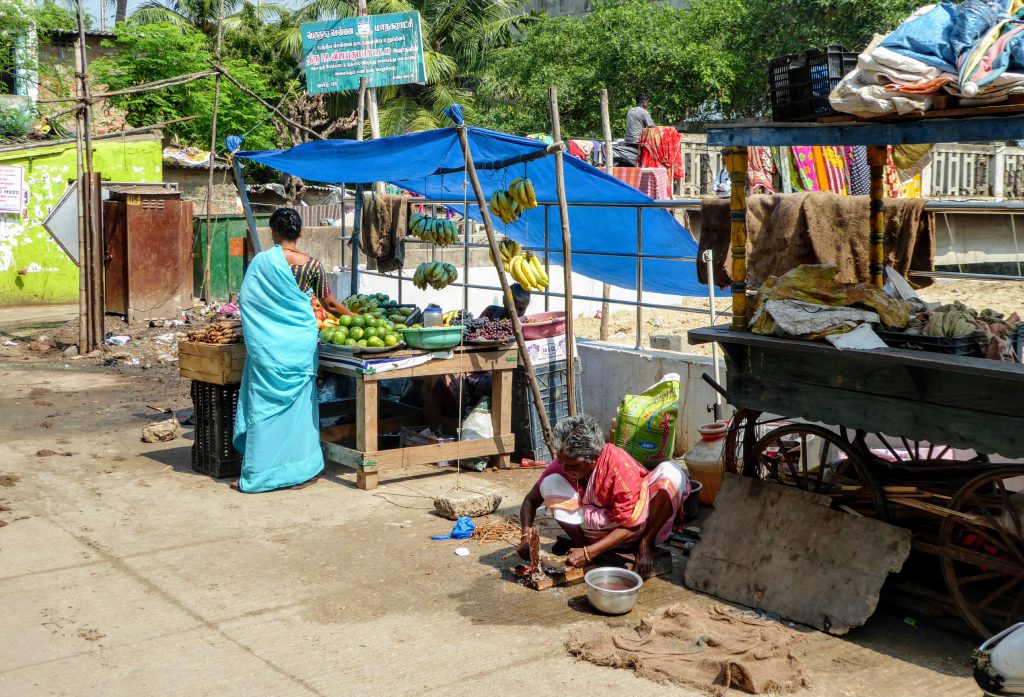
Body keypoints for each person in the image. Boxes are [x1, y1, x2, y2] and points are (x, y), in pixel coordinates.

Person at [232, 208, 354, 493]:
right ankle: (303, 471)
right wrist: (356, 317)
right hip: (299, 346)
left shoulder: (261, 263)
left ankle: (260, 474)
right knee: (300, 412)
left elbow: (247, 303)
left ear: (273, 232)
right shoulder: (311, 265)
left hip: (268, 349)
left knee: (264, 411)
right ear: (300, 233)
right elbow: (331, 305)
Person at [516, 414, 689, 577]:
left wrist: (588, 554)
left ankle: (647, 543)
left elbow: (632, 525)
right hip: (593, 531)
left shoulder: (617, 464)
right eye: (562, 463)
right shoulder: (563, 463)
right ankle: (582, 545)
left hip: (633, 530)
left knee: (671, 472)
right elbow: (530, 501)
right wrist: (526, 537)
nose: (566, 469)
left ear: (594, 457)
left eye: (574, 465)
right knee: (550, 482)